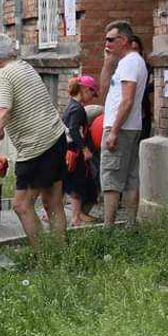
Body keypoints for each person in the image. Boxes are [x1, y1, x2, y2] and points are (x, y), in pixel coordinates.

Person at [0, 33, 68, 248]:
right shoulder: (24, 66)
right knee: (53, 202)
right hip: (56, 137)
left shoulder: (3, 75)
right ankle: (60, 254)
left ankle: (43, 257)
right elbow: (9, 110)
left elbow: (3, 111)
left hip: (37, 147)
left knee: (21, 205)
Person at [98, 21, 149, 226]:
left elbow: (127, 100)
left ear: (124, 40)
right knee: (129, 179)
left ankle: (108, 229)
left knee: (111, 180)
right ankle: (129, 227)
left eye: (111, 39)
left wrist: (114, 132)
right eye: (105, 40)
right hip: (129, 127)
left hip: (120, 128)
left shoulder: (130, 62)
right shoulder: (127, 62)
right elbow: (105, 94)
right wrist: (107, 63)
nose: (107, 43)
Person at [63, 75, 101, 226]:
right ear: (85, 89)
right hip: (75, 152)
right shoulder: (77, 109)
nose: (92, 98)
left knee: (70, 184)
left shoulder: (72, 106)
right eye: (92, 93)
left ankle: (55, 214)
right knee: (77, 185)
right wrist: (84, 149)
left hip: (70, 150)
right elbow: (73, 130)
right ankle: (76, 217)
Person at [130, 35, 154, 141]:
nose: (133, 53)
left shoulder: (146, 67)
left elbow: (154, 83)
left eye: (136, 49)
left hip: (143, 111)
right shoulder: (122, 67)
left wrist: (143, 89)